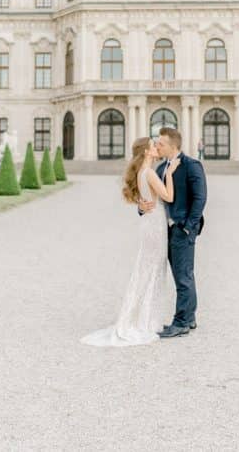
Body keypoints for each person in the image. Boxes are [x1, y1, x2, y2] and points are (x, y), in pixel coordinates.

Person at [81, 137, 180, 347]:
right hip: (155, 226)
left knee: (147, 270)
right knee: (151, 270)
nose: (156, 148)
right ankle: (142, 320)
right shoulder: (150, 173)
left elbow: (148, 200)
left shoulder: (141, 173)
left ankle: (144, 318)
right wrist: (170, 174)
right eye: (154, 146)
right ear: (146, 152)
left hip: (149, 223)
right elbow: (169, 197)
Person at [139, 127, 207, 339]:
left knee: (183, 276)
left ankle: (181, 322)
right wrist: (142, 207)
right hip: (163, 231)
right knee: (183, 275)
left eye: (160, 144)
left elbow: (200, 198)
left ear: (172, 146)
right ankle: (189, 317)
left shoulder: (191, 166)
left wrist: (188, 226)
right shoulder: (160, 168)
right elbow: (154, 197)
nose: (157, 146)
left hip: (181, 229)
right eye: (157, 144)